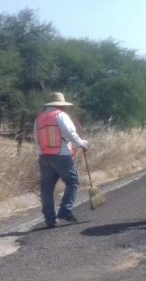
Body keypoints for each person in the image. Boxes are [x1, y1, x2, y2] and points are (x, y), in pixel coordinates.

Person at [33, 92, 89, 228]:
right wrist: (82, 143)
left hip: (44, 156)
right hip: (62, 156)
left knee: (46, 189)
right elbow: (70, 134)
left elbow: (36, 139)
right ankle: (65, 210)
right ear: (62, 105)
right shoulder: (61, 116)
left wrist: (41, 153)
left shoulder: (39, 118)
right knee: (73, 182)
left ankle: (50, 219)